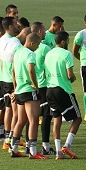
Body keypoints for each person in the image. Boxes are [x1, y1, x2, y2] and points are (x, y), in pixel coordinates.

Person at [44, 31, 83, 159]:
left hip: (49, 90)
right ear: (63, 41)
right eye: (67, 41)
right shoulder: (66, 54)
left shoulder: (48, 54)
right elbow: (70, 75)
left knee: (57, 119)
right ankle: (67, 145)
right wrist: (73, 78)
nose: (68, 43)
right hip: (63, 90)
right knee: (77, 118)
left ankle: (58, 151)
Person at [10, 33, 43, 158]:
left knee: (20, 120)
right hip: (29, 90)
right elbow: (30, 69)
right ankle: (33, 151)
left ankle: (14, 148)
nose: (38, 48)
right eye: (37, 45)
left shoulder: (18, 52)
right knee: (33, 120)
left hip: (19, 90)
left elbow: (13, 70)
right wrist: (35, 84)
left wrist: (15, 87)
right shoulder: (30, 54)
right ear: (31, 43)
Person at [31, 21, 56, 156]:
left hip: (31, 86)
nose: (46, 32)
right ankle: (46, 145)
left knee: (31, 116)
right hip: (44, 86)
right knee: (47, 115)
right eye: (44, 30)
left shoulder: (26, 48)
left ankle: (30, 144)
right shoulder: (45, 48)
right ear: (39, 32)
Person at [0, 17, 22, 149]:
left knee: (8, 109)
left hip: (3, 78)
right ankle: (12, 139)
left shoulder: (2, 39)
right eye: (15, 24)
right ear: (11, 26)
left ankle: (7, 138)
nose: (18, 25)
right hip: (12, 79)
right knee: (16, 112)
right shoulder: (14, 41)